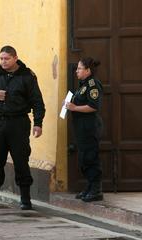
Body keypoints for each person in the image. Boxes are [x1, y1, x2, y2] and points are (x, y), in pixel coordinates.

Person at [0, 45, 45, 210]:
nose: (3, 62)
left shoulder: (27, 76)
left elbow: (37, 101)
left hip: (19, 123)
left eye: (6, 59)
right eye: (1, 58)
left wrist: (38, 123)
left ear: (15, 58)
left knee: (21, 160)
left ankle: (25, 199)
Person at [65, 57, 103, 202]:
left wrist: (74, 108)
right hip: (81, 127)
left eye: (79, 68)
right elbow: (78, 102)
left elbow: (94, 106)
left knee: (90, 157)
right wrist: (69, 104)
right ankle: (89, 186)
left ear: (88, 70)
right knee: (84, 158)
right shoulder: (82, 85)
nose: (76, 71)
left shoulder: (93, 85)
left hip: (90, 127)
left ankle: (96, 190)